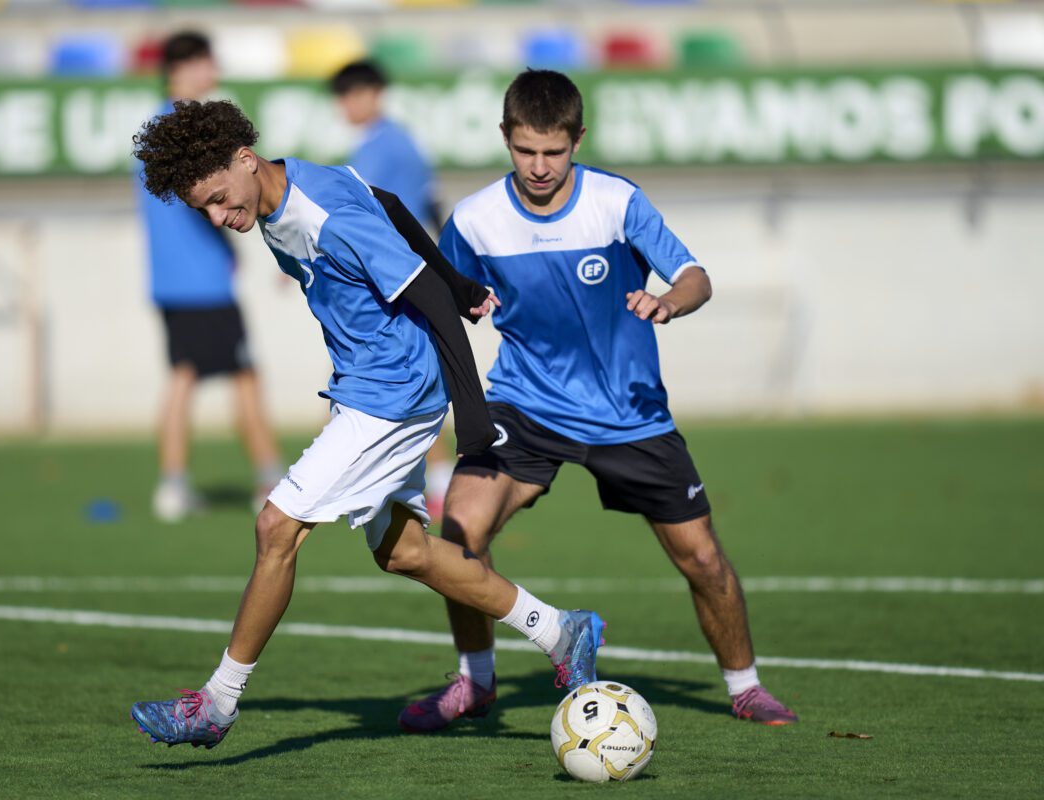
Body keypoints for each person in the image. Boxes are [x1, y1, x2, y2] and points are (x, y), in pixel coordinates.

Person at [128, 98, 606, 750]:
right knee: (403, 550)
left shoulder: (324, 216)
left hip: (393, 397)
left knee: (277, 526)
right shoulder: (291, 184)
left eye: (217, 198)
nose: (218, 217)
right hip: (368, 390)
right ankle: (559, 630)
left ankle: (216, 704)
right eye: (203, 210)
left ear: (244, 160)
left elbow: (425, 298)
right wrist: (460, 279)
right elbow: (385, 202)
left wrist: (472, 417)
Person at [398, 69, 798, 732]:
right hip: (525, 407)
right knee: (460, 531)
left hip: (630, 413)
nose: (540, 166)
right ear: (505, 138)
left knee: (701, 558)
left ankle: (746, 686)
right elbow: (444, 299)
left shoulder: (615, 202)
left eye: (554, 152)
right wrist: (465, 306)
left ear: (578, 139)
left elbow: (695, 276)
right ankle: (477, 681)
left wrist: (669, 300)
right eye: (525, 151)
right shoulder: (475, 219)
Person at [135, 31, 282, 522]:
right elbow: (205, 202)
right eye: (207, 64)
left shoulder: (155, 131)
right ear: (184, 67)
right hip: (203, 282)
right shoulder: (184, 134)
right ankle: (270, 479)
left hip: (169, 281)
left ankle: (172, 484)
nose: (213, 75)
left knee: (182, 376)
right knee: (244, 377)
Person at [329, 58, 453, 519]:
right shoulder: (397, 141)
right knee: (398, 372)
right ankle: (422, 474)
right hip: (405, 276)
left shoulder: (381, 148)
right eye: (343, 96)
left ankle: (429, 475)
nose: (348, 105)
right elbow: (433, 202)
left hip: (395, 280)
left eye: (355, 94)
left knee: (387, 372)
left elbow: (358, 218)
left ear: (374, 94)